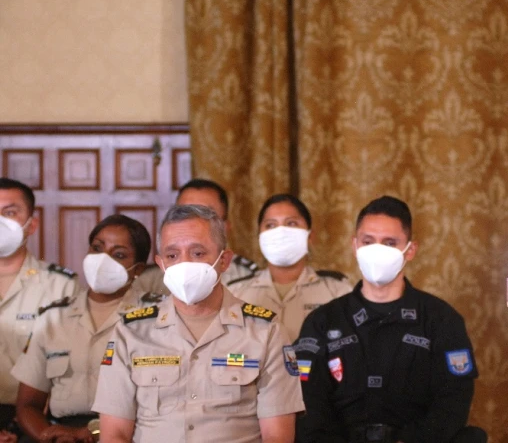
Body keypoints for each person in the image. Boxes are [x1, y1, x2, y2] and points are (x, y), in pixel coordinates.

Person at [92, 205, 304, 442]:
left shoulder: (266, 331)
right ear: (161, 264)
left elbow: (277, 437)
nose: (184, 264)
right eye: (173, 255)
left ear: (224, 261)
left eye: (197, 253)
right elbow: (114, 435)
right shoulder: (130, 332)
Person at [294, 196, 486, 443]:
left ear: (410, 250)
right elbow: (310, 402)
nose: (377, 250)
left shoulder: (441, 320)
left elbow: (453, 403)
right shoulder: (323, 321)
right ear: (354, 246)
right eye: (368, 241)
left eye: (390, 242)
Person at [12, 215, 161, 443]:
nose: (103, 260)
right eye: (97, 248)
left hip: (130, 432)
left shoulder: (156, 316)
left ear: (137, 268)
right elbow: (28, 405)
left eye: (118, 254)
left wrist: (95, 432)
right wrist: (49, 435)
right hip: (62, 433)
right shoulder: (53, 317)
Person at [0, 178, 76, 441]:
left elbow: (70, 367)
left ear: (31, 224)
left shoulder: (61, 285)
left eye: (10, 212)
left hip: (37, 421)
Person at [227, 194, 351, 341]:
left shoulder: (337, 291)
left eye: (291, 223)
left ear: (310, 236)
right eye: (270, 225)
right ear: (260, 238)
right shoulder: (235, 293)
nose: (281, 233)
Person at [136, 178, 259, 294]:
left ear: (225, 227)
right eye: (184, 214)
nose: (192, 224)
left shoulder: (250, 279)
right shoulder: (147, 283)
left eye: (206, 215)